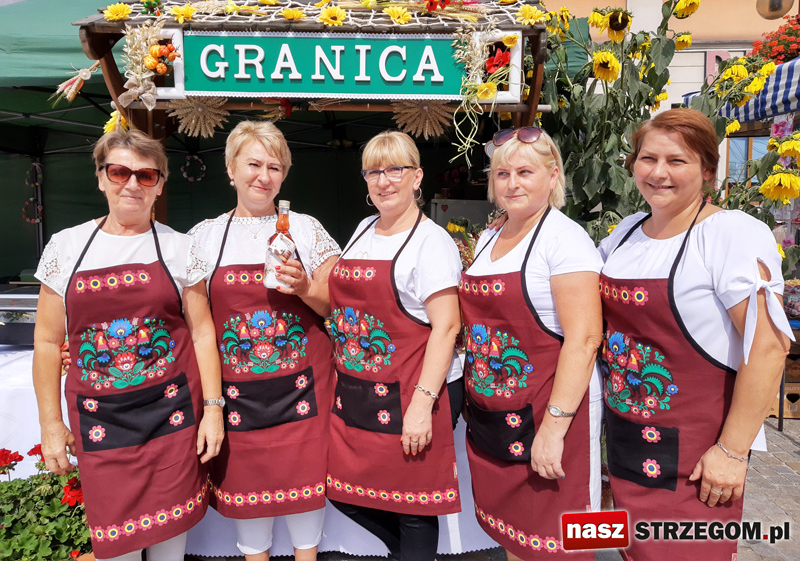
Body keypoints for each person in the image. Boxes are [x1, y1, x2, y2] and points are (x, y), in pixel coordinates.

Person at [598, 108, 792, 560]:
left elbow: (769, 348)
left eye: (677, 161)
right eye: (648, 158)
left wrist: (732, 451)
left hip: (697, 457)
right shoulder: (625, 233)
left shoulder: (730, 234)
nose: (658, 173)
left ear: (707, 170)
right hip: (626, 442)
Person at [33, 130, 224, 561]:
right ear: (101, 178)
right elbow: (46, 341)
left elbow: (202, 333)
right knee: (116, 548)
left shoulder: (180, 248)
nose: (132, 184)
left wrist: (213, 410)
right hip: (101, 424)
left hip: (171, 420)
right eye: (120, 172)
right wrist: (50, 424)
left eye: (146, 175)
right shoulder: (67, 246)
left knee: (169, 548)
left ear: (160, 185)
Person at [188, 121, 340, 561]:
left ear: (284, 175)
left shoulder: (306, 229)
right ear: (231, 169)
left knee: (305, 496)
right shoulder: (204, 237)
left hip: (304, 389)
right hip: (236, 395)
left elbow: (337, 306)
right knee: (248, 496)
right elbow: (191, 322)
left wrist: (305, 287)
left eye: (274, 167)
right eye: (253, 164)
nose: (263, 176)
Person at [459, 127, 602, 560]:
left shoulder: (565, 240)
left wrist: (554, 430)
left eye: (525, 172)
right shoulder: (491, 236)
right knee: (516, 537)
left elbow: (585, 337)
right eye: (502, 174)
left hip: (553, 415)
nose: (512, 184)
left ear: (553, 175)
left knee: (569, 540)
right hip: (498, 419)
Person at [326, 131, 462, 561]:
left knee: (413, 504)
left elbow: (447, 327)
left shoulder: (431, 243)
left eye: (394, 170)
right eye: (373, 172)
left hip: (415, 387)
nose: (383, 181)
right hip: (362, 388)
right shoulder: (363, 228)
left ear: (417, 177)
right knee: (344, 490)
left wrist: (422, 405)